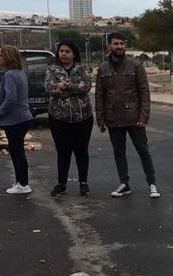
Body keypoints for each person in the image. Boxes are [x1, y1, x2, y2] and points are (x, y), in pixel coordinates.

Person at [95, 32, 159, 198]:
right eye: (116, 44)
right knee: (119, 152)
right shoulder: (103, 68)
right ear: (109, 45)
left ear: (125, 45)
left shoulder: (136, 66)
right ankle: (124, 183)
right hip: (113, 119)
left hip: (134, 118)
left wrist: (143, 117)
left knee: (143, 151)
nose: (119, 47)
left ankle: (152, 183)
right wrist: (100, 119)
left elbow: (144, 92)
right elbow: (99, 95)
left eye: (122, 44)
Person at [47, 39, 93, 196]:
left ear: (74, 54)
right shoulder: (52, 69)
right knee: (63, 151)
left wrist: (65, 86)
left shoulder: (81, 69)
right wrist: (73, 87)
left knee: (81, 151)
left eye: (67, 51)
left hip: (83, 118)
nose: (64, 54)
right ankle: (61, 183)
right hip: (59, 118)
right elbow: (50, 88)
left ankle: (83, 182)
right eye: (61, 51)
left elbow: (86, 86)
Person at [0, 45, 33, 194]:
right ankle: (21, 181)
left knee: (17, 152)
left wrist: (0, 111)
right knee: (17, 151)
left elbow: (11, 98)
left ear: (8, 58)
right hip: (24, 117)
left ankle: (23, 183)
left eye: (0, 55)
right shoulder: (20, 72)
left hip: (15, 119)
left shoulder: (9, 75)